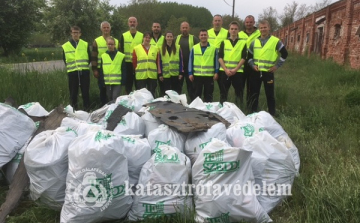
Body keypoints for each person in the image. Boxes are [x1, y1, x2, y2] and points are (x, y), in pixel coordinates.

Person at [247, 20, 288, 116]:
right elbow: (249, 57)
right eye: (261, 28)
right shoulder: (254, 42)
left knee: (270, 95)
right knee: (254, 94)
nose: (263, 29)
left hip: (268, 72)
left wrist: (277, 66)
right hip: (256, 73)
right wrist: (253, 65)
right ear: (259, 29)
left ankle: (272, 114)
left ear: (269, 28)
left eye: (265, 27)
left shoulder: (275, 41)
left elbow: (285, 54)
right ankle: (253, 114)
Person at [62, 26, 91, 111]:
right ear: (71, 33)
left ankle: (87, 110)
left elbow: (89, 57)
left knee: (85, 92)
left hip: (84, 72)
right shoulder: (65, 46)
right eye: (74, 32)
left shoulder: (85, 44)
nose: (75, 34)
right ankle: (74, 111)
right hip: (72, 72)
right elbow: (64, 59)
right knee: (73, 94)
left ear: (80, 34)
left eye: (77, 33)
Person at [218, 21, 247, 105]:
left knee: (239, 93)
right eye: (232, 29)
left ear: (238, 30)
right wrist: (226, 69)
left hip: (238, 72)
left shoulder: (243, 43)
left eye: (235, 29)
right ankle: (222, 111)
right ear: (229, 30)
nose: (233, 31)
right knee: (223, 93)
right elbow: (220, 57)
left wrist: (235, 69)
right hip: (225, 71)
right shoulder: (224, 42)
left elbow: (244, 57)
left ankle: (239, 110)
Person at [91, 21, 119, 106]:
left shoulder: (116, 41)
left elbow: (120, 55)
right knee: (102, 88)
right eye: (104, 28)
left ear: (110, 29)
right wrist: (95, 69)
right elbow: (94, 56)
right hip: (101, 69)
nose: (106, 29)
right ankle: (103, 106)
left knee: (113, 90)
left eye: (107, 27)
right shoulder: (97, 41)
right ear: (101, 29)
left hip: (114, 69)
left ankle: (113, 106)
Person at [188, 29, 219, 102]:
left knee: (208, 96)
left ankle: (207, 111)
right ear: (199, 36)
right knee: (196, 96)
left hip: (209, 76)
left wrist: (216, 72)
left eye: (205, 35)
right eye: (202, 35)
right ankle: (196, 111)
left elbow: (216, 61)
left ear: (208, 36)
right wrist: (190, 73)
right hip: (197, 75)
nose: (203, 36)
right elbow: (190, 61)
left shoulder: (214, 48)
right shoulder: (194, 48)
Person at [238, 15, 261, 110]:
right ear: (244, 23)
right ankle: (239, 107)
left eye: (250, 22)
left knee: (252, 88)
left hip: (254, 64)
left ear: (254, 22)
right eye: (247, 22)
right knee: (240, 87)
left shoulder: (259, 33)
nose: (249, 24)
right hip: (241, 63)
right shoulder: (240, 34)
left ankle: (251, 108)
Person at [175, 22, 199, 101]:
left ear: (189, 28)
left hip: (190, 68)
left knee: (191, 88)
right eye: (183, 28)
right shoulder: (176, 39)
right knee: (178, 88)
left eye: (186, 27)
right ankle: (177, 104)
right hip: (179, 68)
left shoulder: (194, 38)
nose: (184, 29)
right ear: (180, 29)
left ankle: (192, 104)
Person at [132, 32, 161, 97]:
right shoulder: (136, 48)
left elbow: (157, 61)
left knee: (152, 93)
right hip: (141, 75)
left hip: (152, 75)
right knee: (141, 94)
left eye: (149, 38)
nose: (147, 39)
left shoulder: (155, 49)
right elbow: (134, 61)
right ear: (143, 38)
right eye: (146, 37)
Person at [120, 17, 144, 94]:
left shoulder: (141, 35)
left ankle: (139, 101)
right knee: (128, 85)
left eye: (134, 22)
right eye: (131, 22)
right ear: (128, 23)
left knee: (139, 84)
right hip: (127, 64)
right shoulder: (123, 36)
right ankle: (128, 101)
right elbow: (121, 50)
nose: (132, 23)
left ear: (137, 23)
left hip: (138, 63)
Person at [100, 37, 127, 102]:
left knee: (115, 98)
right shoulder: (103, 56)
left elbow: (124, 69)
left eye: (112, 44)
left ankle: (115, 111)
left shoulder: (121, 55)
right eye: (109, 44)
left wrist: (123, 80)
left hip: (117, 82)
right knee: (109, 98)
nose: (110, 46)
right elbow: (101, 69)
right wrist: (102, 80)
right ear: (106, 44)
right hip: (108, 81)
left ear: (115, 45)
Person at [150, 22, 165, 97]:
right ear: (152, 28)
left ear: (160, 28)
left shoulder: (164, 38)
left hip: (162, 65)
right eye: (154, 27)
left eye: (158, 27)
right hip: (151, 65)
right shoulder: (148, 38)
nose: (156, 28)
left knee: (163, 88)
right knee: (152, 88)